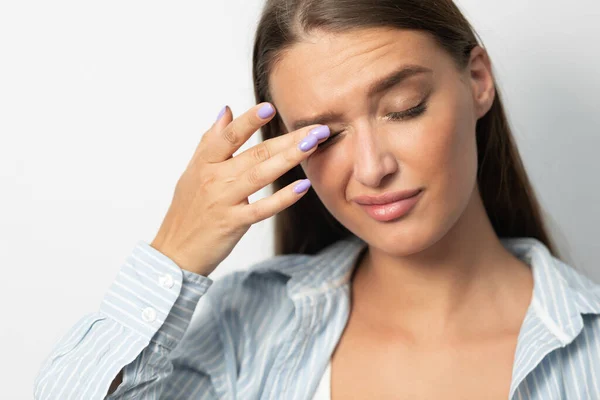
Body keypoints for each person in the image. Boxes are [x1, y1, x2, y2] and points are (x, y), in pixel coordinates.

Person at [34, 0, 600, 399]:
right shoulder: (249, 331)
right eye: (323, 137)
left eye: (403, 107)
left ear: (477, 80)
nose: (374, 168)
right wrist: (173, 254)